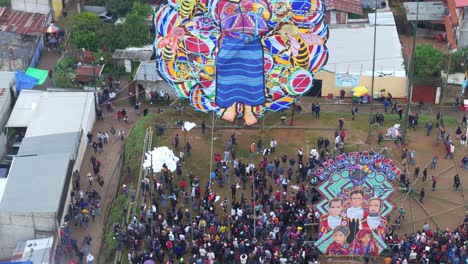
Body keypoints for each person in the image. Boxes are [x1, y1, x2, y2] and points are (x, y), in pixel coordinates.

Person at [216, 0, 271, 126]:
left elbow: (266, 15)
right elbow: (220, 15)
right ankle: (230, 106)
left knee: (251, 76)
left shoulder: (258, 1)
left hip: (251, 43)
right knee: (228, 76)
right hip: (231, 41)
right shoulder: (223, 2)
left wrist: (256, 8)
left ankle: (249, 110)